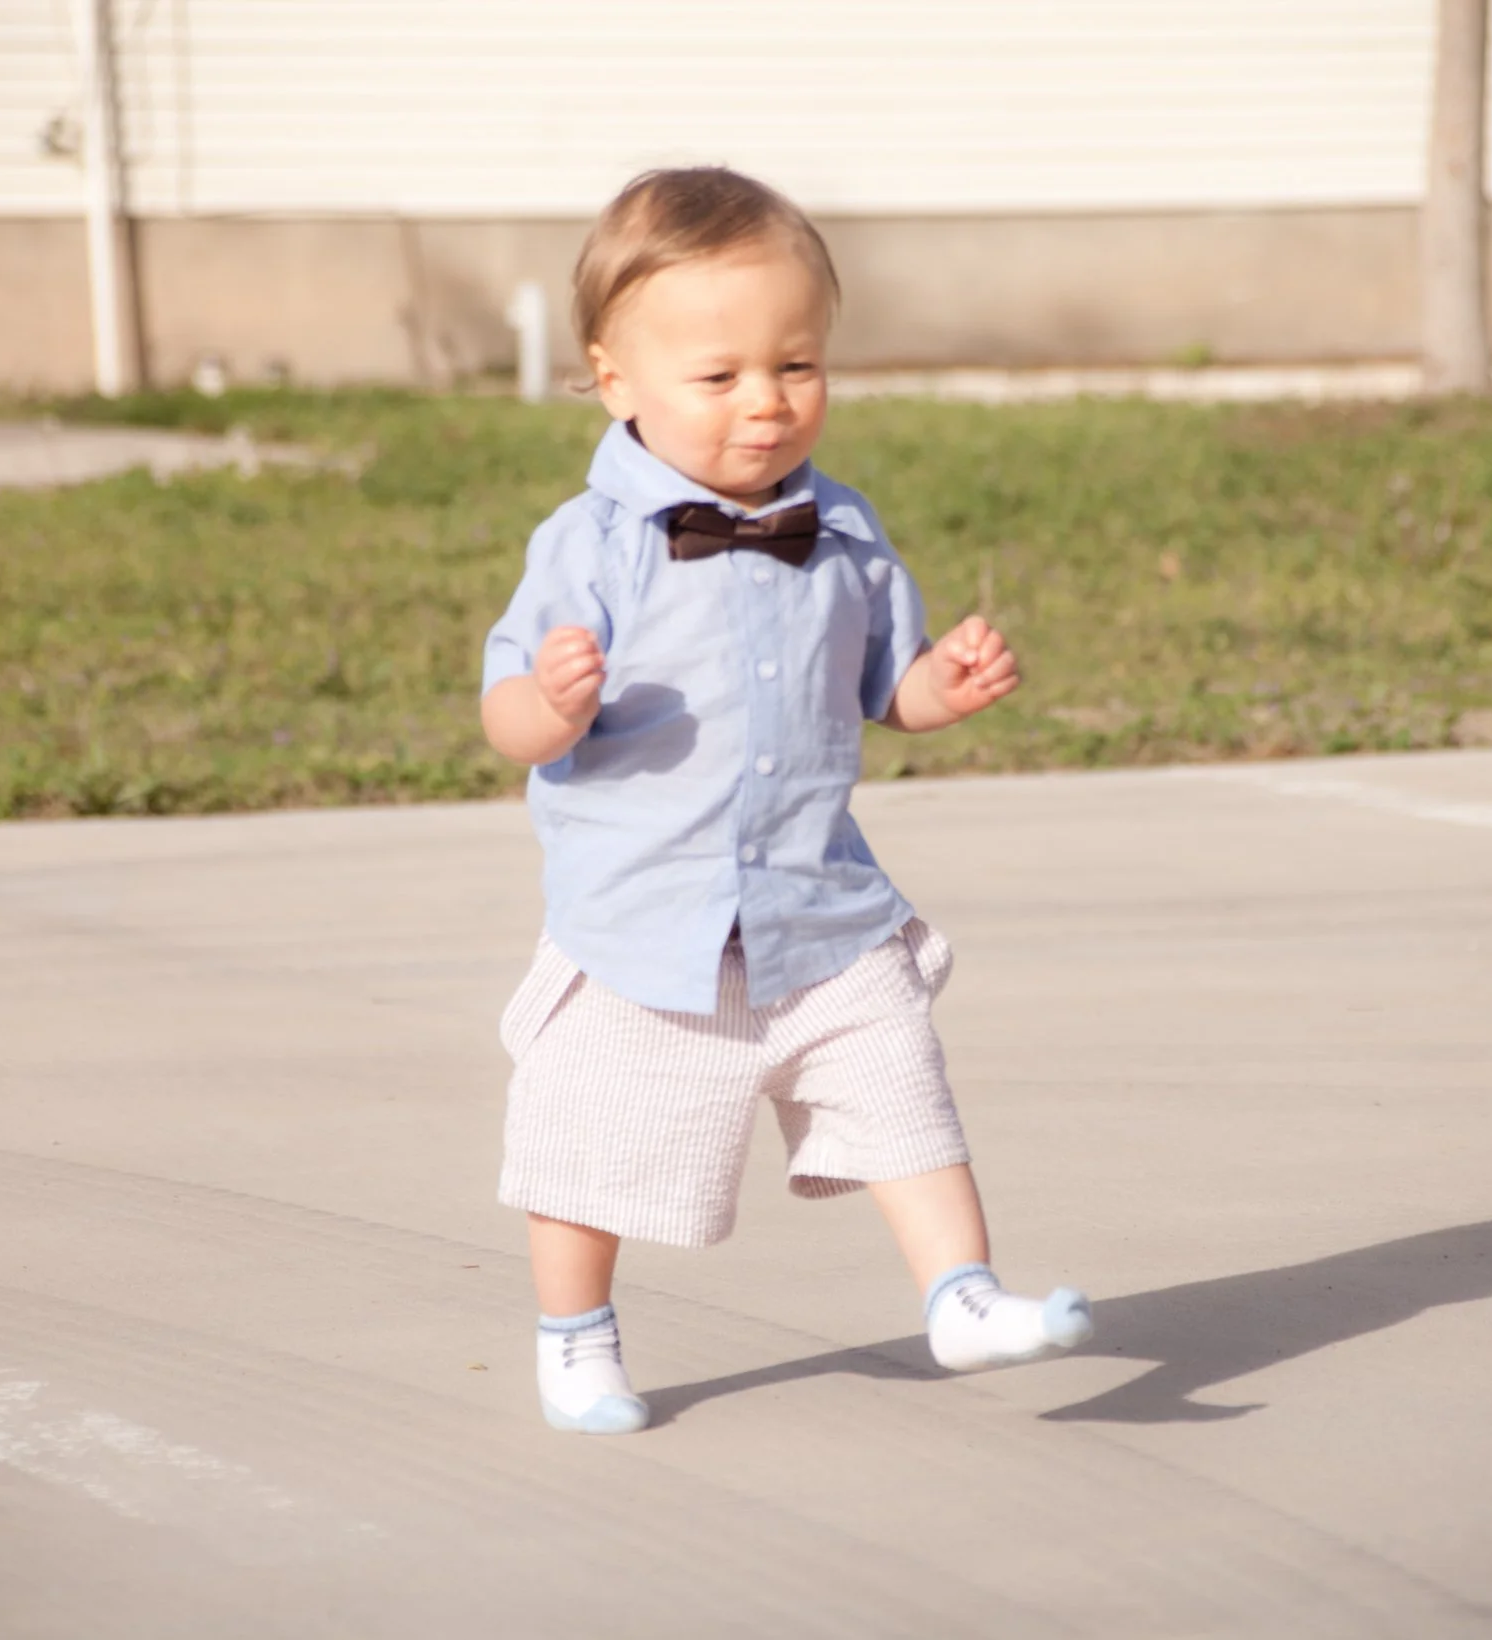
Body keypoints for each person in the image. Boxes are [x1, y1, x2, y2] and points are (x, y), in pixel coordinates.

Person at [479, 167, 1093, 1435]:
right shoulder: (589, 547)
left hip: (819, 904)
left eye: (797, 365)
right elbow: (504, 722)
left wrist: (944, 683)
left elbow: (886, 688)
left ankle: (962, 1294)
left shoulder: (847, 527)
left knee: (901, 1081)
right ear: (616, 382)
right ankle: (575, 1335)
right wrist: (554, 698)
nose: (766, 402)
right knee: (591, 1135)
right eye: (720, 378)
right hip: (644, 923)